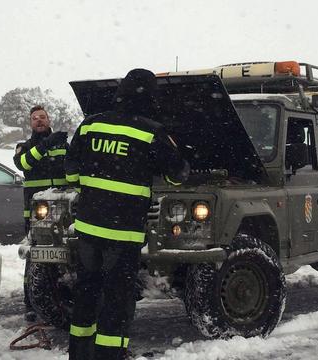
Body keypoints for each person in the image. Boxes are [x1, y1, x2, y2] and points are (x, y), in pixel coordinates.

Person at [65, 69, 189, 360]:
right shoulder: (152, 132)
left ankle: (80, 355)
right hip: (123, 235)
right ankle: (110, 355)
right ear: (150, 97)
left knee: (86, 295)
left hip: (87, 231)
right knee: (117, 301)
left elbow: (70, 174)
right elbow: (176, 177)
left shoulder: (90, 125)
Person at [13, 105, 69, 321]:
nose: (39, 121)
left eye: (42, 117)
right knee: (34, 258)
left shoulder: (63, 145)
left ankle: (63, 294)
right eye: (35, 118)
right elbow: (22, 163)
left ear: (48, 119)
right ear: (30, 123)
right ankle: (30, 301)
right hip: (37, 214)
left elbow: (75, 167)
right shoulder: (24, 146)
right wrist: (45, 145)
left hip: (65, 211)